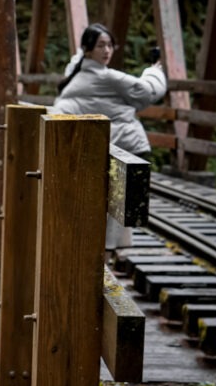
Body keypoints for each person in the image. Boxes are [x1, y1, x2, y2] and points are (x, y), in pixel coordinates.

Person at [52, 23, 167, 250]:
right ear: (88, 49)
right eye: (101, 45)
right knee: (122, 210)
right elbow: (148, 91)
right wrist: (156, 70)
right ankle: (114, 255)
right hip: (128, 147)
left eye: (110, 45)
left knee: (111, 207)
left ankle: (108, 257)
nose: (107, 51)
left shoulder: (76, 75)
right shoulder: (107, 77)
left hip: (108, 147)